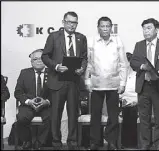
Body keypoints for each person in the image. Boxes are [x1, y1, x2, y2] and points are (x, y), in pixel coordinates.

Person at [41, 11, 88, 150]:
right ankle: (56, 143)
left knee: (73, 114)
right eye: (69, 22)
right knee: (56, 114)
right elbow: (45, 56)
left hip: (74, 81)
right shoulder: (54, 36)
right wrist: (56, 66)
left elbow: (84, 57)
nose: (72, 25)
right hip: (57, 80)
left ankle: (72, 143)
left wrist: (82, 69)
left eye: (75, 23)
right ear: (63, 22)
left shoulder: (81, 38)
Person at [130, 18, 159, 150]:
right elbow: (133, 62)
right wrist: (141, 66)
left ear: (156, 29)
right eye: (144, 28)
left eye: (148, 28)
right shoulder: (139, 45)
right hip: (143, 86)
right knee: (144, 119)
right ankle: (145, 145)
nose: (146, 31)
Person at [85, 16, 128, 150]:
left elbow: (123, 64)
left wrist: (123, 83)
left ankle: (112, 141)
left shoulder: (117, 41)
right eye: (102, 26)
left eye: (107, 26)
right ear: (98, 27)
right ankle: (95, 141)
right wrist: (87, 80)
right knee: (95, 114)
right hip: (96, 84)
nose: (105, 29)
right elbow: (88, 63)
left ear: (111, 27)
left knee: (113, 115)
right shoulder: (91, 41)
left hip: (113, 84)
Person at [14, 49, 51, 150]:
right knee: (21, 118)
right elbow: (18, 92)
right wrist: (29, 102)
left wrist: (46, 102)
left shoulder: (52, 73)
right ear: (31, 61)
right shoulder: (24, 73)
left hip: (46, 106)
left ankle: (40, 142)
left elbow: (56, 93)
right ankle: (27, 141)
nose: (38, 61)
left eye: (41, 58)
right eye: (35, 59)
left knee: (53, 117)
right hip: (28, 105)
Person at [119, 52, 138, 149]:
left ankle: (132, 143)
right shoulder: (118, 75)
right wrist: (122, 100)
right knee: (126, 111)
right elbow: (116, 92)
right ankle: (124, 142)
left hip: (136, 101)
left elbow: (141, 92)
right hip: (123, 101)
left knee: (133, 110)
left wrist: (135, 101)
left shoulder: (137, 75)